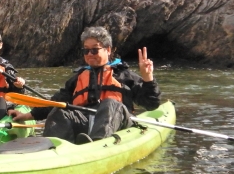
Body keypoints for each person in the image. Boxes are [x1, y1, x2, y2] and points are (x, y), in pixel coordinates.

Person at [10, 26, 161, 144]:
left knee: (110, 103)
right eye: (86, 50)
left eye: (95, 50)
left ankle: (97, 146)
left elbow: (151, 104)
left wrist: (148, 78)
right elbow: (55, 103)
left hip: (118, 122)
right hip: (86, 121)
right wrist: (26, 115)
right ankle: (52, 148)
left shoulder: (124, 75)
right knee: (60, 111)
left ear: (108, 50)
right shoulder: (77, 79)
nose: (90, 54)